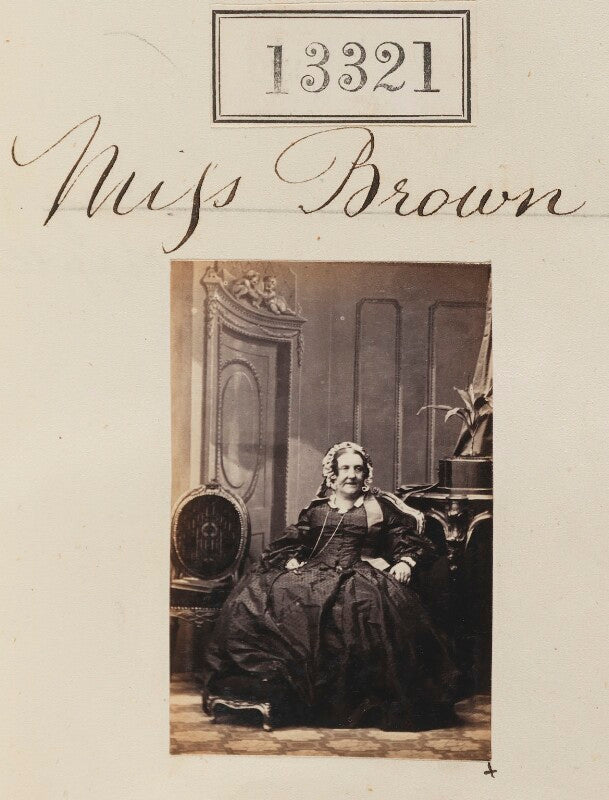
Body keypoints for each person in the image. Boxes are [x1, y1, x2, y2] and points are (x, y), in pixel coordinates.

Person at [203, 442, 459, 730]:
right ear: (332, 475)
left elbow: (408, 541)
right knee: (256, 598)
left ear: (366, 475)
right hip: (314, 574)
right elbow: (292, 542)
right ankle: (275, 689)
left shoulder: (380, 508)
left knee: (362, 610)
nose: (352, 475)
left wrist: (406, 562)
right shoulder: (317, 510)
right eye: (345, 468)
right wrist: (291, 558)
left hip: (361, 575)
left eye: (358, 469)